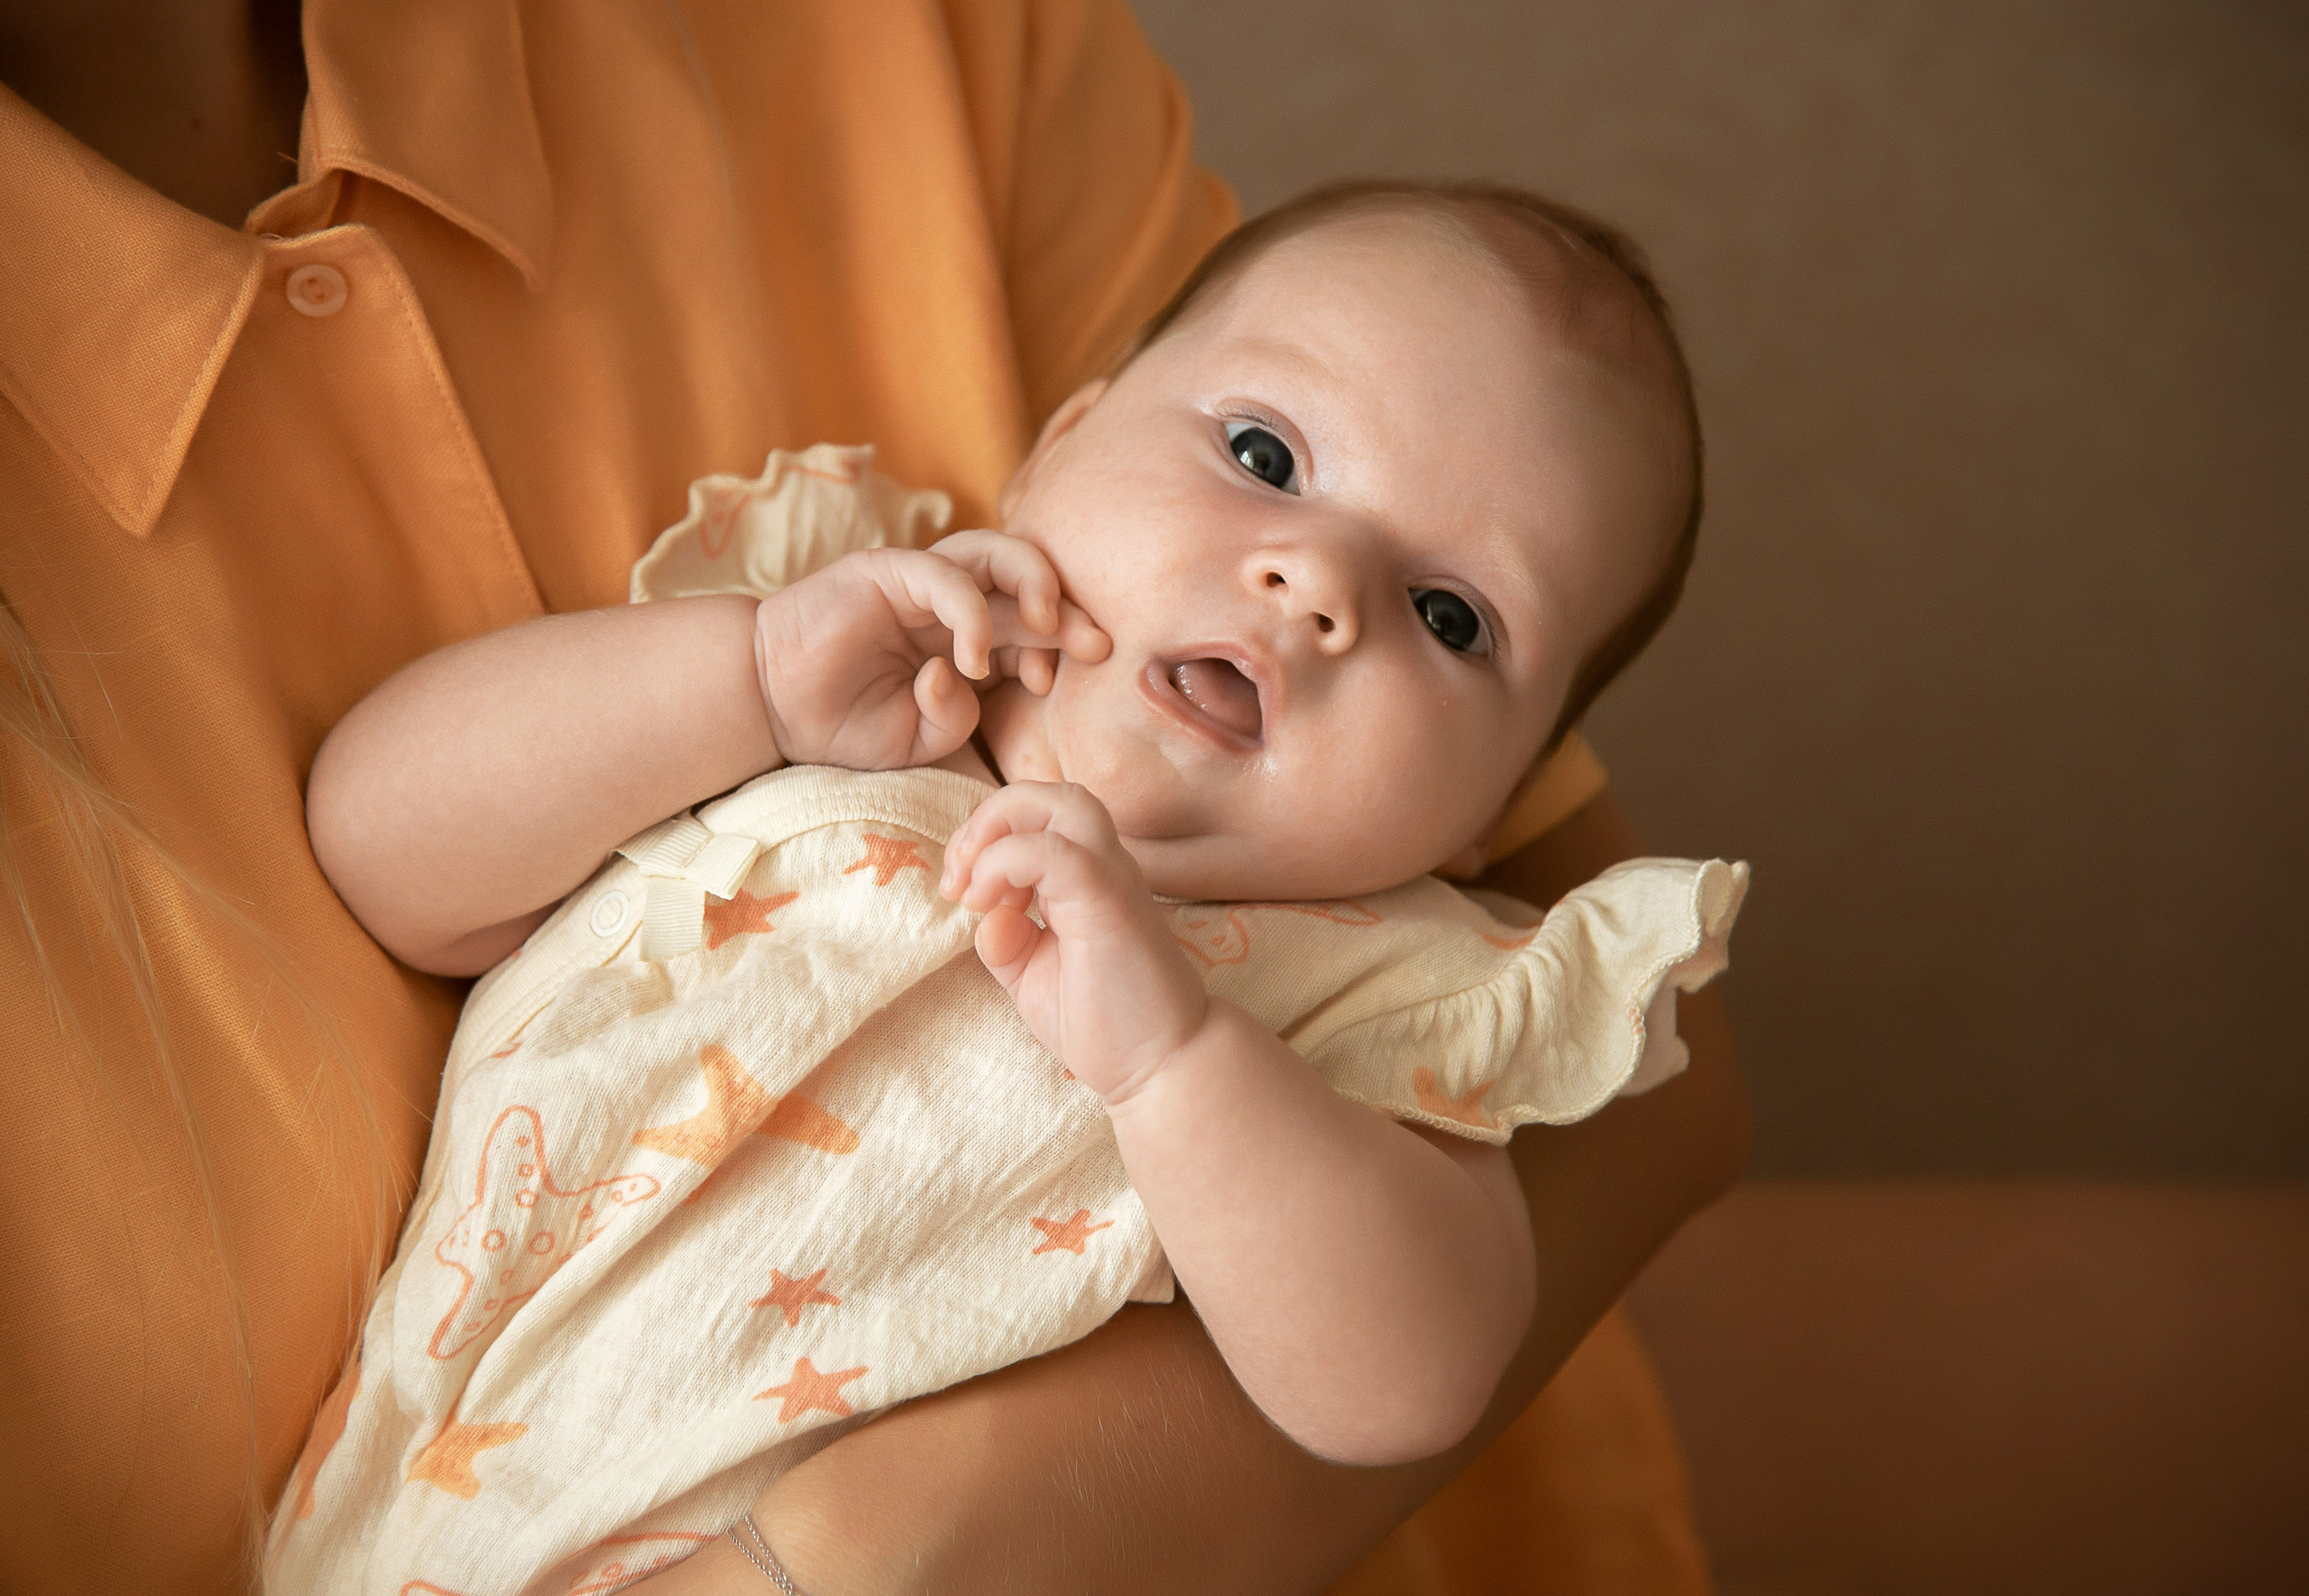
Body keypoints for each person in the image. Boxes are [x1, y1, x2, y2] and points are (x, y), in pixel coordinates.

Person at [0, 4, 1746, 1591]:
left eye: (1451, 618)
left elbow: (1404, 1377)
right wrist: (741, 673)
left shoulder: (1396, 985)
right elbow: (386, 849)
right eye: (1263, 458)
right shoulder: (835, 637)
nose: (1314, 584)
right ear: (1057, 439)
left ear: (1491, 808)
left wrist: (1177, 1062)